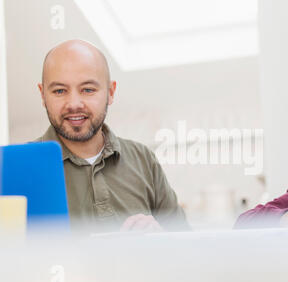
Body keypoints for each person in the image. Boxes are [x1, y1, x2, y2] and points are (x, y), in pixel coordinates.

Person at [36, 39, 189, 234]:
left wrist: (160, 239)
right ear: (42, 95)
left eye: (88, 90)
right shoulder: (20, 167)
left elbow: (186, 247)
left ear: (110, 92)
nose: (74, 103)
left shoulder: (143, 159)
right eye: (59, 91)